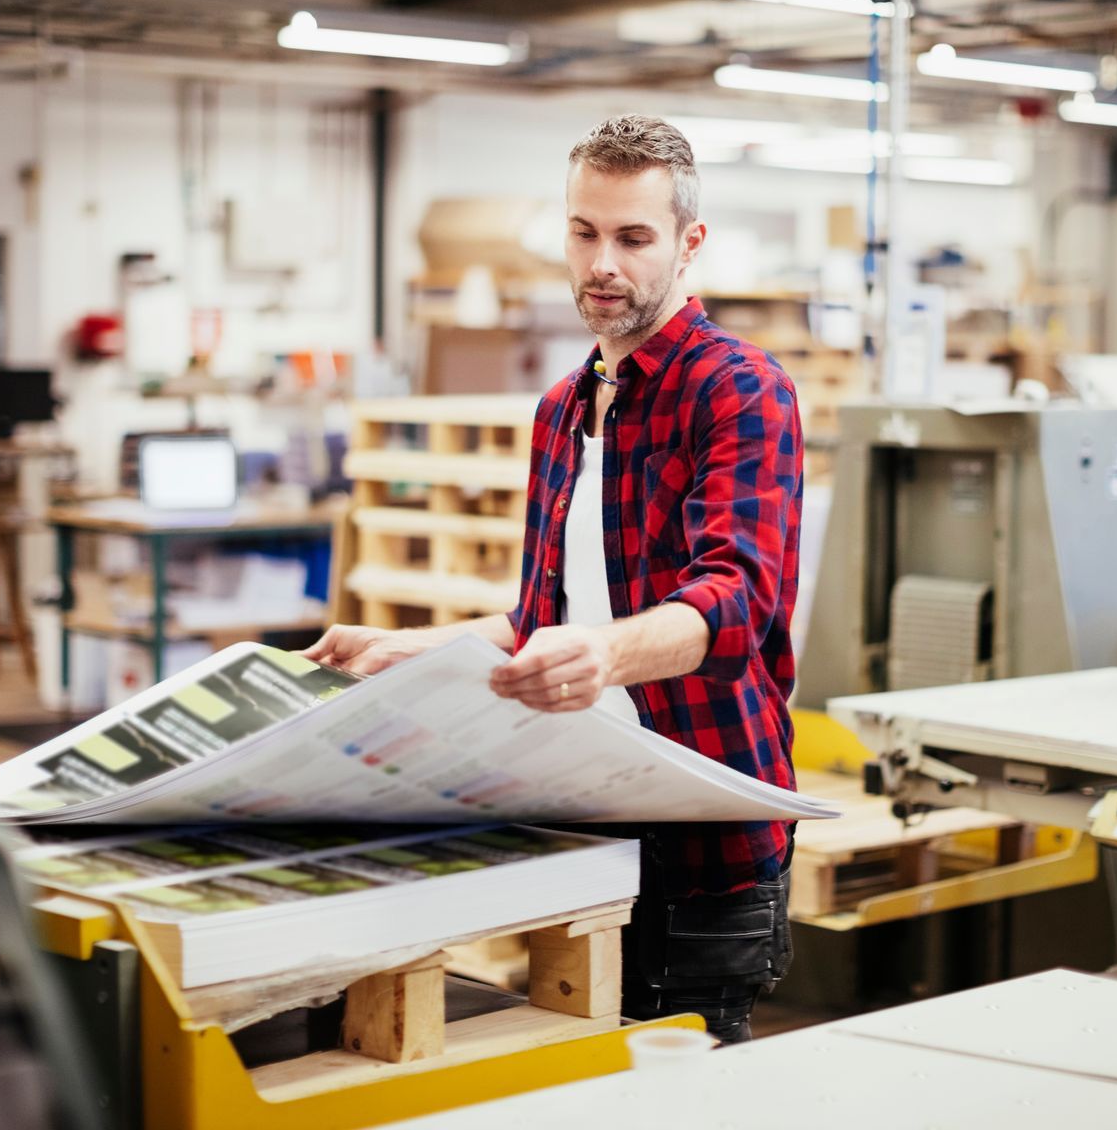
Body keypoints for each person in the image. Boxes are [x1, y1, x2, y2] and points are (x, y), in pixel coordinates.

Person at [305, 113, 803, 1044]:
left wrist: (604, 655)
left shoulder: (739, 390)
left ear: (689, 244)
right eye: (584, 233)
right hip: (582, 819)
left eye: (633, 238)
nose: (602, 263)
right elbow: (543, 617)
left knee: (685, 1093)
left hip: (702, 833)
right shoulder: (561, 409)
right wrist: (407, 646)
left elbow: (735, 605)